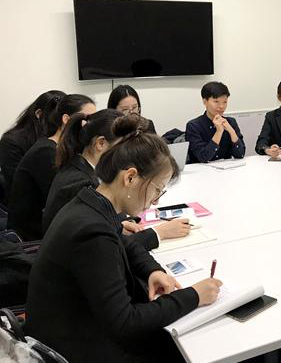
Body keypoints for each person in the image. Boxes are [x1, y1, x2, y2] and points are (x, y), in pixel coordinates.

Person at [26, 123, 222, 363]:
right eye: (157, 190)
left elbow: (124, 243)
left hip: (68, 330)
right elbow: (125, 322)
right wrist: (194, 296)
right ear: (130, 177)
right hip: (75, 348)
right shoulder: (92, 233)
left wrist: (153, 271)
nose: (155, 201)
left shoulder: (90, 202)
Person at [42, 110, 190, 246]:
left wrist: (120, 224)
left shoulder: (82, 169)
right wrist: (157, 233)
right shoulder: (80, 183)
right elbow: (102, 242)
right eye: (122, 147)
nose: (125, 153)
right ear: (101, 143)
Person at [7, 94, 96, 240]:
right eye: (87, 119)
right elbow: (68, 200)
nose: (92, 126)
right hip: (32, 236)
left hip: (52, 228)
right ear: (66, 119)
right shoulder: (46, 152)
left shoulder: (63, 149)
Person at [0, 90, 66, 203]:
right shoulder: (12, 141)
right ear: (39, 114)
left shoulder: (61, 137)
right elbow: (18, 186)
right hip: (26, 204)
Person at [186, 81, 246, 163]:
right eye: (216, 102)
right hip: (201, 169)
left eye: (225, 102)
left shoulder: (230, 122)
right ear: (205, 101)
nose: (221, 106)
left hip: (227, 168)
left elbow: (240, 154)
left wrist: (231, 131)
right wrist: (219, 132)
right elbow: (204, 157)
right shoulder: (194, 126)